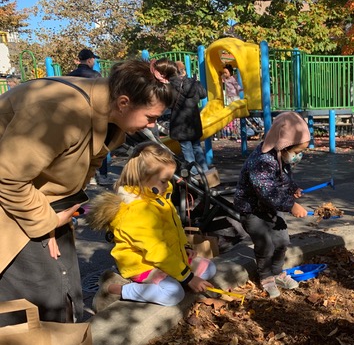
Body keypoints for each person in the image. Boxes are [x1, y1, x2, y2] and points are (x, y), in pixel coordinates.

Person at [0, 59, 178, 326]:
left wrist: (55, 218)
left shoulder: (112, 120)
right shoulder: (58, 112)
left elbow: (82, 168)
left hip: (35, 204)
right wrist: (45, 222)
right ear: (123, 102)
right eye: (150, 117)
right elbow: (7, 178)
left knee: (67, 292)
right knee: (38, 304)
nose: (152, 126)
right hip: (12, 206)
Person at [87, 142, 216, 311]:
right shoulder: (135, 210)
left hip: (166, 258)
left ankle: (174, 276)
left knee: (209, 268)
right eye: (164, 181)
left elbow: (175, 226)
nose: (168, 185)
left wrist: (185, 247)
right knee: (173, 294)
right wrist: (188, 278)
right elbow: (156, 250)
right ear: (143, 177)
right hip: (143, 264)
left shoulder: (157, 196)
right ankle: (114, 289)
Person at [233, 111, 310, 298]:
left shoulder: (280, 156)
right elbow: (267, 191)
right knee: (265, 245)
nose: (298, 156)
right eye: (297, 152)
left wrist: (292, 188)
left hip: (271, 207)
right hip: (252, 210)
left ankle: (277, 272)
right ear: (284, 145)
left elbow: (283, 179)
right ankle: (266, 276)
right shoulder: (261, 161)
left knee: (282, 240)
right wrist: (291, 205)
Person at [66, 48, 114, 187]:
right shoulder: (95, 76)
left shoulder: (70, 76)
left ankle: (86, 177)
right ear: (90, 60)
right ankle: (102, 176)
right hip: (93, 115)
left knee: (80, 147)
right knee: (99, 145)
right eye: (94, 59)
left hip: (75, 117)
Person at [169, 60, 209, 171]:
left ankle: (195, 174)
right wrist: (195, 82)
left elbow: (169, 103)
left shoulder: (171, 85)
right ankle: (205, 171)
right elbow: (203, 95)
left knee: (187, 151)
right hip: (194, 121)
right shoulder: (193, 83)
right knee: (197, 147)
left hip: (179, 123)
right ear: (184, 71)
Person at [221, 64, 243, 140]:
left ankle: (238, 133)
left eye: (226, 72)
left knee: (236, 115)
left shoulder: (233, 78)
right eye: (224, 72)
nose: (224, 74)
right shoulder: (224, 78)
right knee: (231, 114)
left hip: (235, 97)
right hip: (229, 97)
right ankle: (234, 132)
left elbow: (237, 86)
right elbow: (221, 78)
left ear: (230, 72)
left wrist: (241, 90)